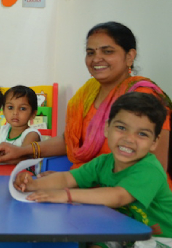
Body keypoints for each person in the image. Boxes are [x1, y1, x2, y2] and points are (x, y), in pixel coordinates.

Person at [0, 22, 172, 187]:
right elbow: (68, 141)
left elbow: (154, 172)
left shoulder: (146, 99)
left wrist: (74, 185)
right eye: (90, 52)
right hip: (83, 189)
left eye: (107, 51)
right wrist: (22, 151)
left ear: (129, 56)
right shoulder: (87, 93)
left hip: (132, 203)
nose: (97, 58)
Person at [14, 92, 172, 247]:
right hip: (122, 231)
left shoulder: (150, 169)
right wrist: (32, 184)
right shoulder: (102, 162)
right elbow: (68, 178)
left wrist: (66, 194)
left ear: (154, 142)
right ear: (107, 128)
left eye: (142, 134)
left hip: (161, 238)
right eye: (121, 127)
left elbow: (118, 196)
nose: (129, 139)